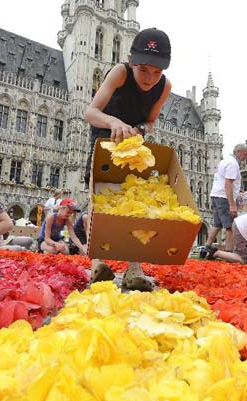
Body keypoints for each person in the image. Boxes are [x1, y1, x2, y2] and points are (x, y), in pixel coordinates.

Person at [84, 27, 172, 290]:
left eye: (157, 72)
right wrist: (114, 122)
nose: (150, 78)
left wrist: (141, 130)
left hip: (134, 145)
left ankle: (134, 268)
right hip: (104, 136)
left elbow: (151, 121)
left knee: (136, 202)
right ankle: (97, 263)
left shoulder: (164, 86)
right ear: (132, 61)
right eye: (144, 69)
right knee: (98, 198)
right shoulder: (119, 73)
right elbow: (90, 112)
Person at [200, 144, 247, 258]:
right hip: (224, 197)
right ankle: (228, 253)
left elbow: (225, 181)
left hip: (216, 195)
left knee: (217, 224)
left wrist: (238, 189)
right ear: (238, 152)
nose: (246, 157)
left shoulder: (225, 161)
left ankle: (205, 249)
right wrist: (232, 205)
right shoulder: (233, 164)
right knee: (230, 226)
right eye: (245, 154)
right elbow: (228, 184)